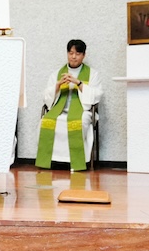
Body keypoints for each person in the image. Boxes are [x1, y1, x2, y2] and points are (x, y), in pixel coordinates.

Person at [35, 39, 103, 171]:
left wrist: (79, 83)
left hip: (81, 111)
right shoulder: (57, 74)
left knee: (79, 122)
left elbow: (96, 95)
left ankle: (75, 162)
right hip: (59, 111)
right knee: (44, 122)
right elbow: (46, 96)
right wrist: (58, 85)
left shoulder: (92, 74)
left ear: (84, 55)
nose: (74, 56)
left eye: (78, 53)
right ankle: (50, 160)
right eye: (71, 53)